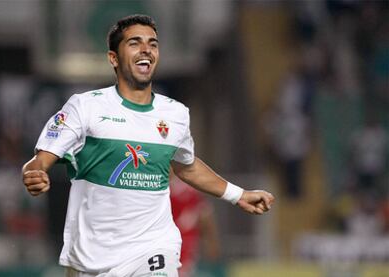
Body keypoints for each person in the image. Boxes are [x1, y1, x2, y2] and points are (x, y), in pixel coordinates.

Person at [21, 14, 274, 277]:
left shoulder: (175, 114)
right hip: (93, 258)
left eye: (152, 44)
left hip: (154, 249)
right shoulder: (85, 107)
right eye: (135, 43)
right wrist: (34, 173)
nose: (146, 49)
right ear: (113, 58)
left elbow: (186, 167)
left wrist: (238, 194)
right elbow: (40, 160)